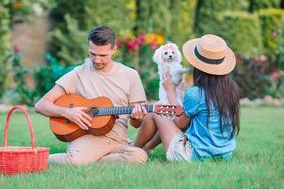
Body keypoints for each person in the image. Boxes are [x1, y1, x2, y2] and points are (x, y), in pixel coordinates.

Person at [35, 25, 148, 165]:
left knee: (139, 156)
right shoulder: (78, 74)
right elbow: (41, 105)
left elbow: (136, 124)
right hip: (88, 138)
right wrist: (67, 113)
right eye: (92, 54)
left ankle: (94, 160)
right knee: (75, 162)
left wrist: (137, 117)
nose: (96, 60)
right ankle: (35, 159)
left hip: (119, 140)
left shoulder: (131, 75)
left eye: (103, 55)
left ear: (114, 49)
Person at [134, 34, 240, 162]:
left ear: (198, 68)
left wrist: (170, 91)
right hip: (225, 155)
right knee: (163, 113)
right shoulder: (231, 90)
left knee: (157, 111)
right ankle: (146, 148)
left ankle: (134, 149)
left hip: (195, 156)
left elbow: (180, 123)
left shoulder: (195, 93)